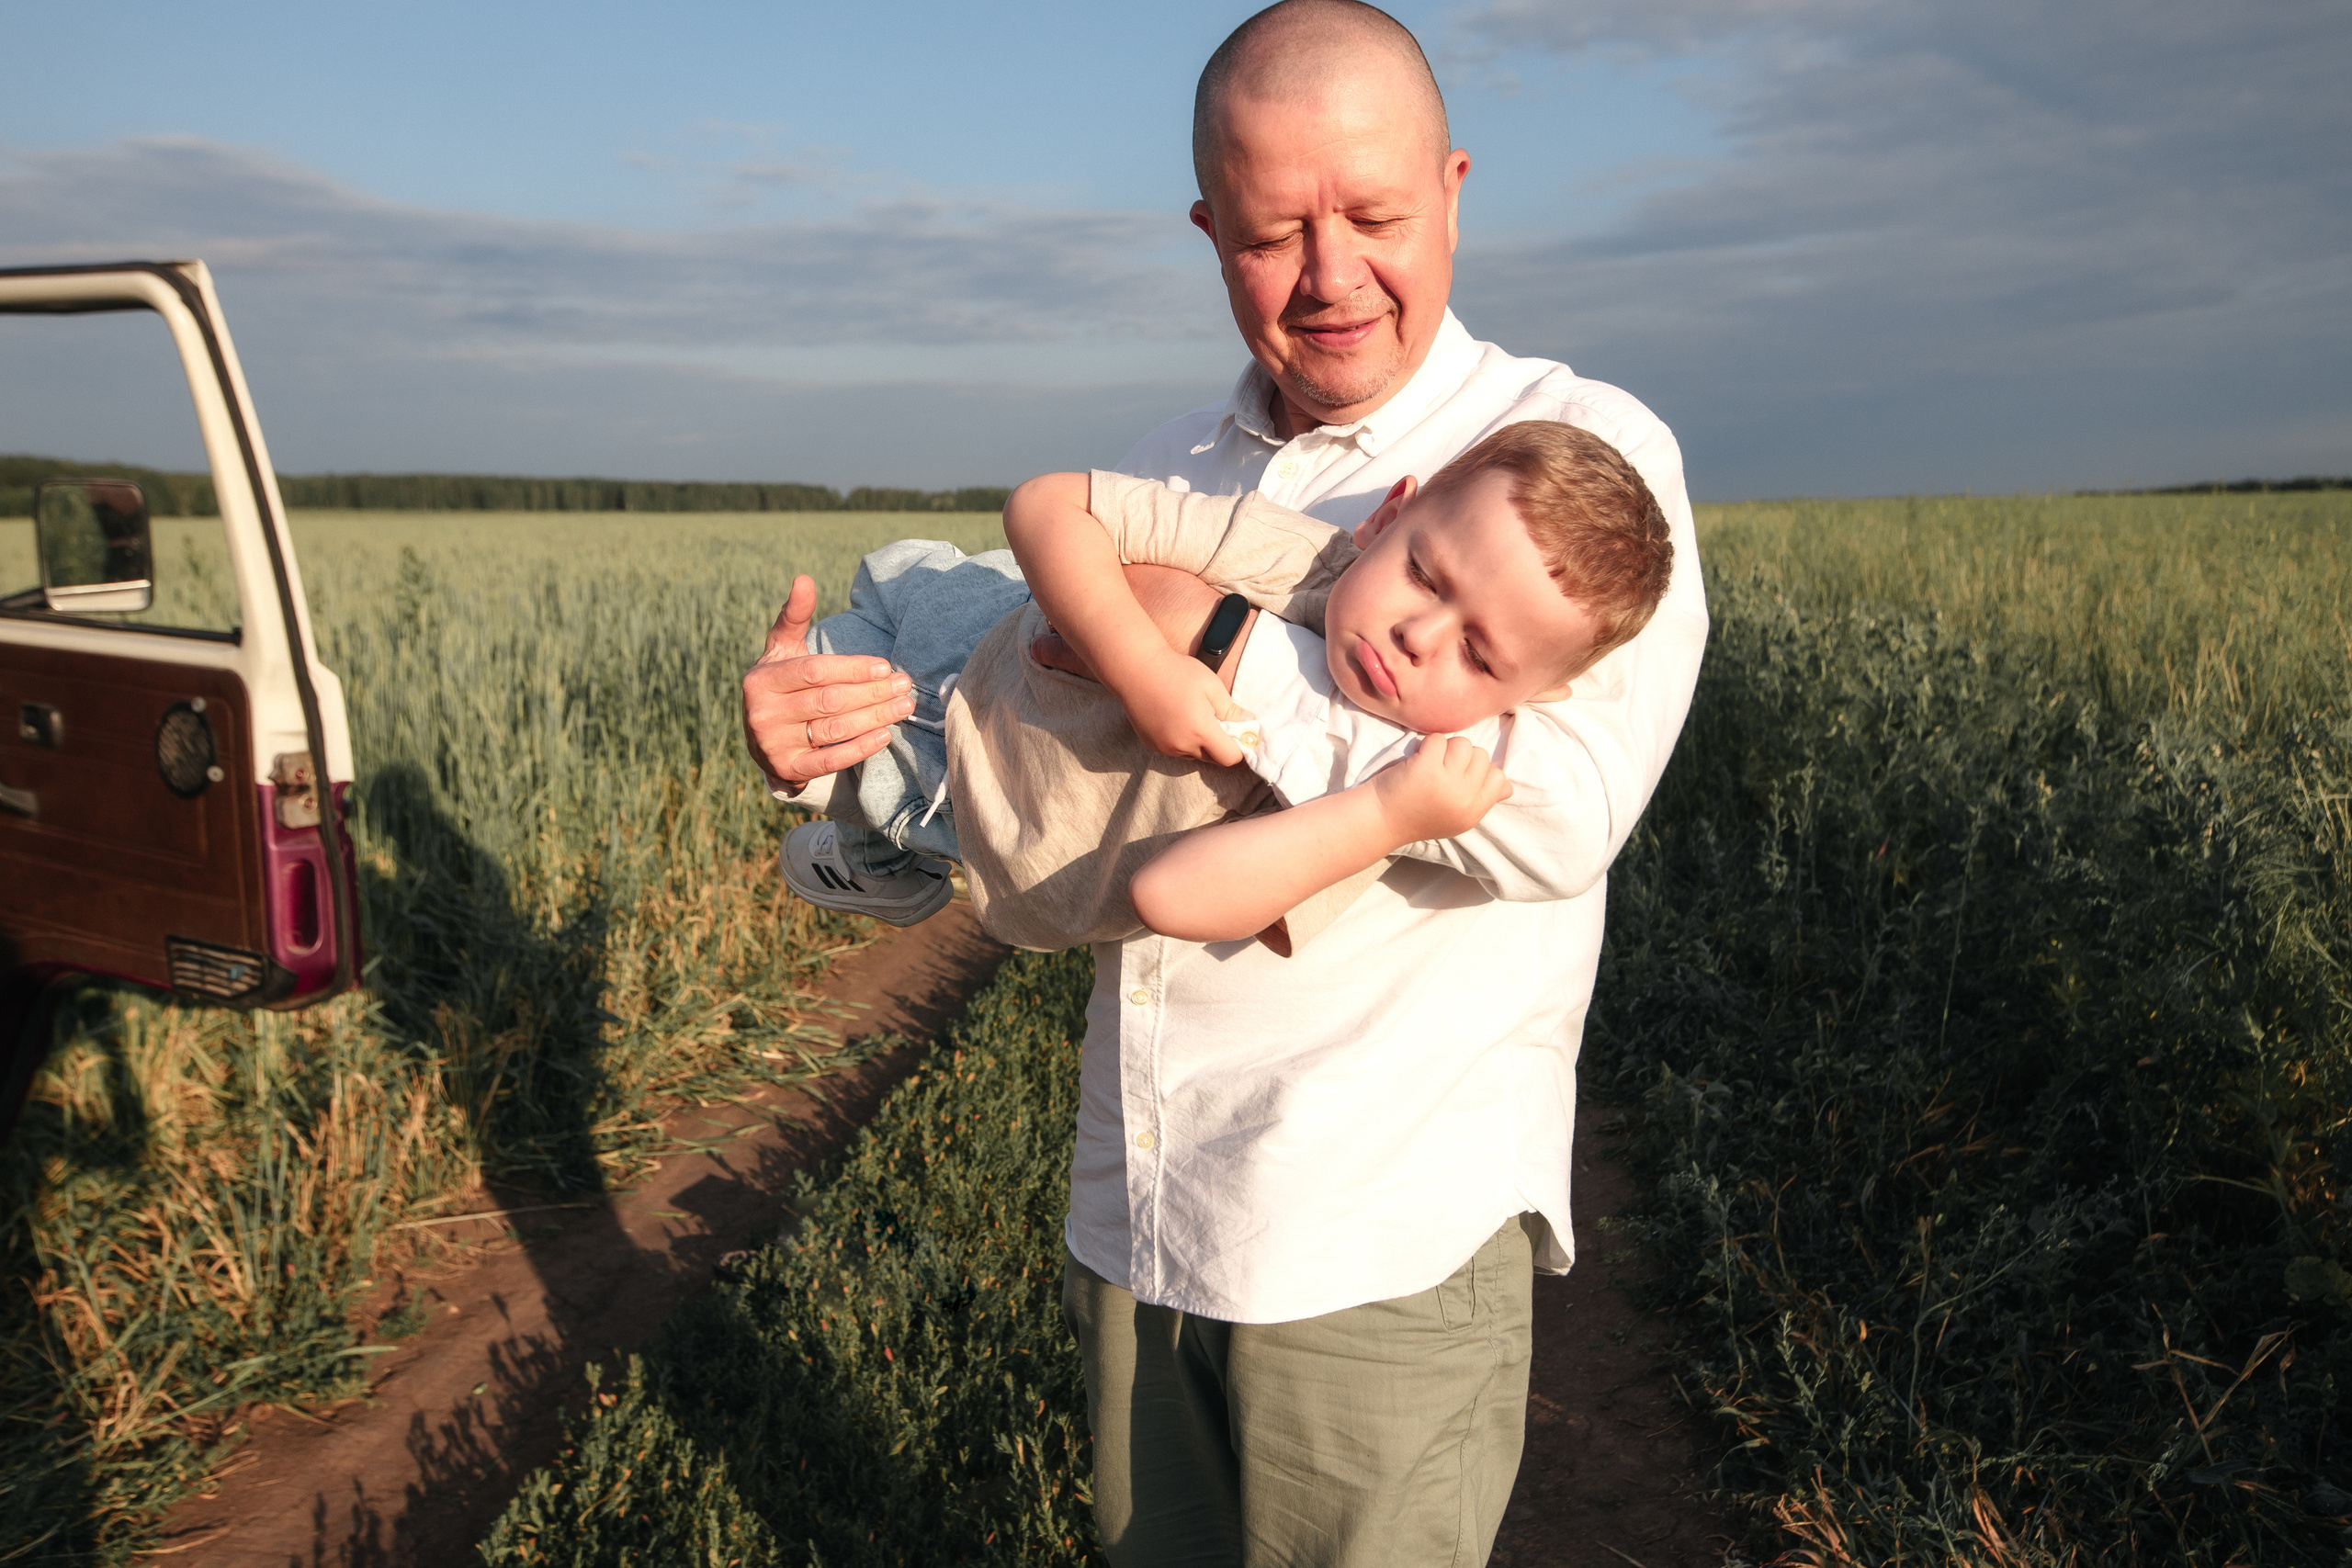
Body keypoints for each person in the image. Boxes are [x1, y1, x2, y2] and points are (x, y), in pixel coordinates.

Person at [741, 4, 1710, 1562]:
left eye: (1378, 215)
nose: (1332, 275)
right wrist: (831, 737)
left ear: (1456, 187)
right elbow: (1030, 789)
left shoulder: (1574, 459)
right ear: (1209, 232)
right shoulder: (1174, 464)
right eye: (1274, 233)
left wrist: (1212, 640)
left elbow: (1554, 810)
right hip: (1142, 1217)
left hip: (1376, 1244)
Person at [775, 420, 1672, 958]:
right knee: (811, 671)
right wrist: (1142, 665)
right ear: (1388, 517)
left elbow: (1175, 898)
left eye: (1478, 657)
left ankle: (901, 861)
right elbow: (1047, 507)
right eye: (1425, 575)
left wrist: (1387, 816)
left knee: (903, 800)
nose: (1417, 636)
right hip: (970, 641)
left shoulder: (1370, 787)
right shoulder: (1287, 555)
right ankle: (879, 840)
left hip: (992, 820)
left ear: (1526, 702)